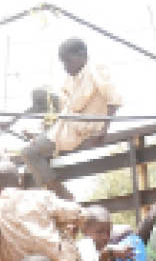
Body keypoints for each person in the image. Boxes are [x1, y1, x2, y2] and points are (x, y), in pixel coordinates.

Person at [19, 38, 122, 197]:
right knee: (32, 154)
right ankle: (52, 189)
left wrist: (104, 129)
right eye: (63, 63)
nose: (65, 66)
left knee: (29, 152)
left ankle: (59, 194)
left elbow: (114, 99)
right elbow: (63, 109)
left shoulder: (95, 70)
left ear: (81, 55)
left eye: (67, 61)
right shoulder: (72, 79)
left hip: (82, 129)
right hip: (66, 128)